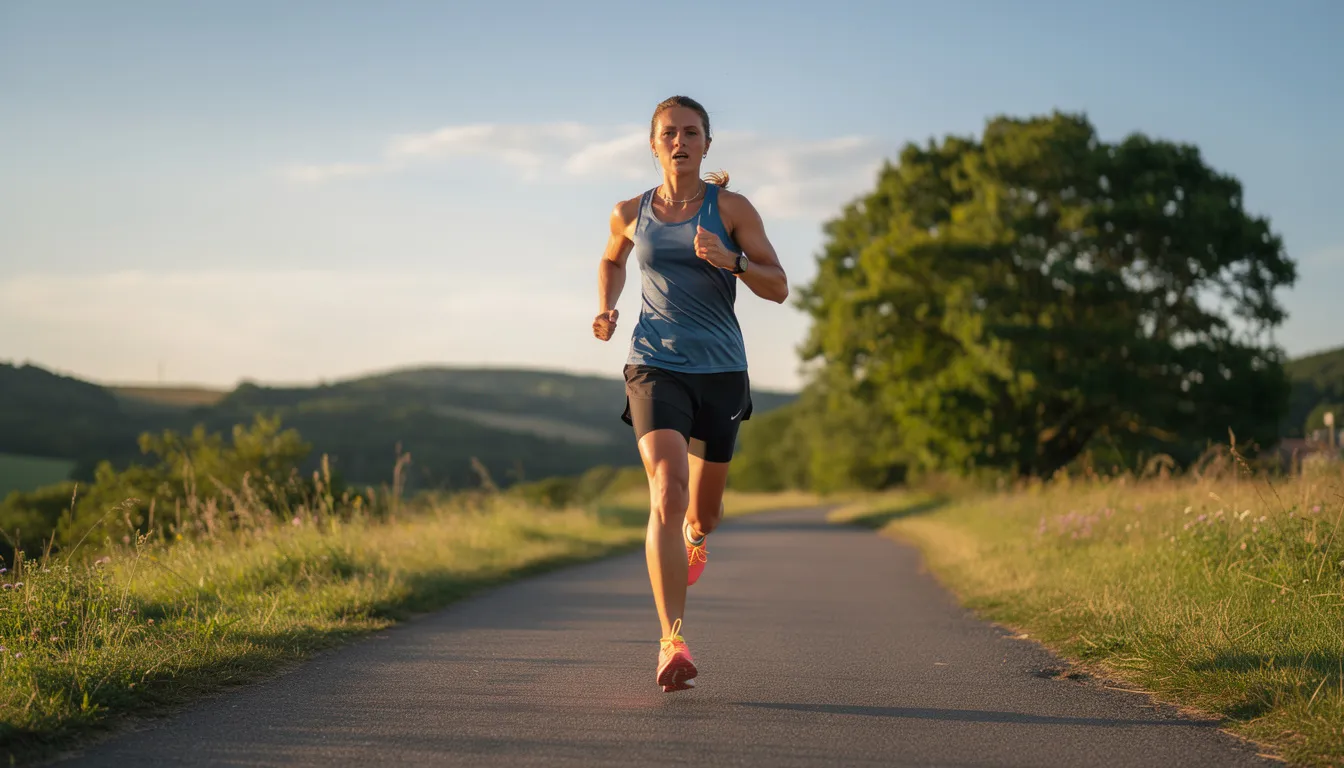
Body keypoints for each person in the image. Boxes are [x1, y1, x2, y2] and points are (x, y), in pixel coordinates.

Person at [591, 95, 790, 692]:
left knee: (701, 512)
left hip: (722, 371)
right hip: (654, 364)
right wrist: (605, 306)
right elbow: (611, 259)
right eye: (669, 133)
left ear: (707, 144)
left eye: (691, 133)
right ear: (653, 144)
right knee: (667, 489)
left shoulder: (730, 208)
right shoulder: (629, 210)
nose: (680, 141)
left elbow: (778, 287)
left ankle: (696, 540)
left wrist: (731, 260)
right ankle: (670, 641)